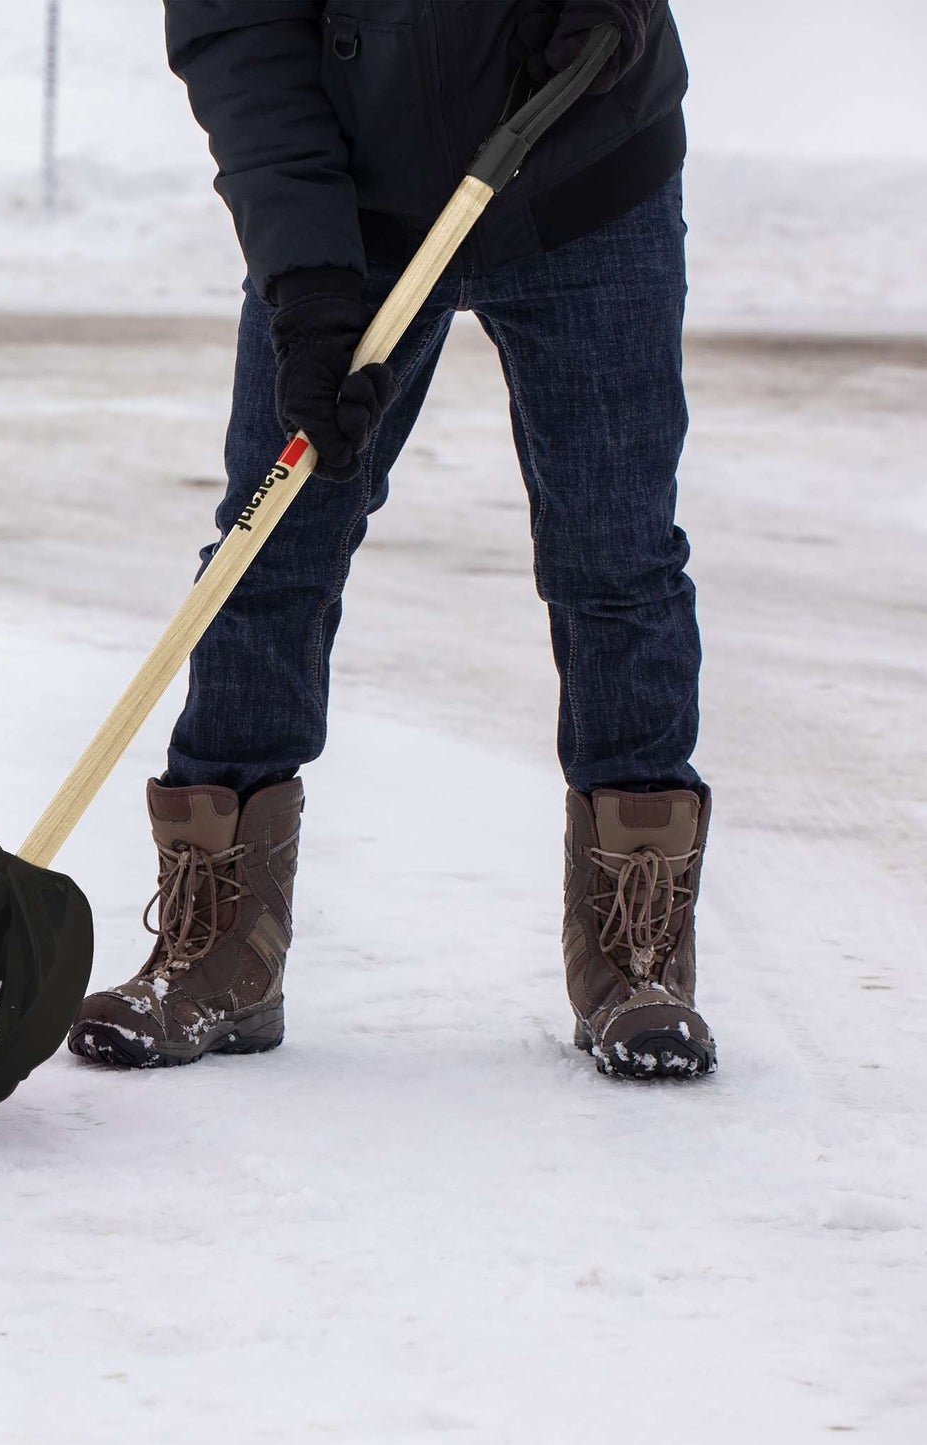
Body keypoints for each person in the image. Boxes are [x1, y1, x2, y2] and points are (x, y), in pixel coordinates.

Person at [68, 0, 716, 1080]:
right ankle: (218, 945)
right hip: (357, 211)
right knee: (270, 543)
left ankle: (636, 952)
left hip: (582, 171)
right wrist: (311, 290)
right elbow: (241, 48)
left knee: (613, 546)